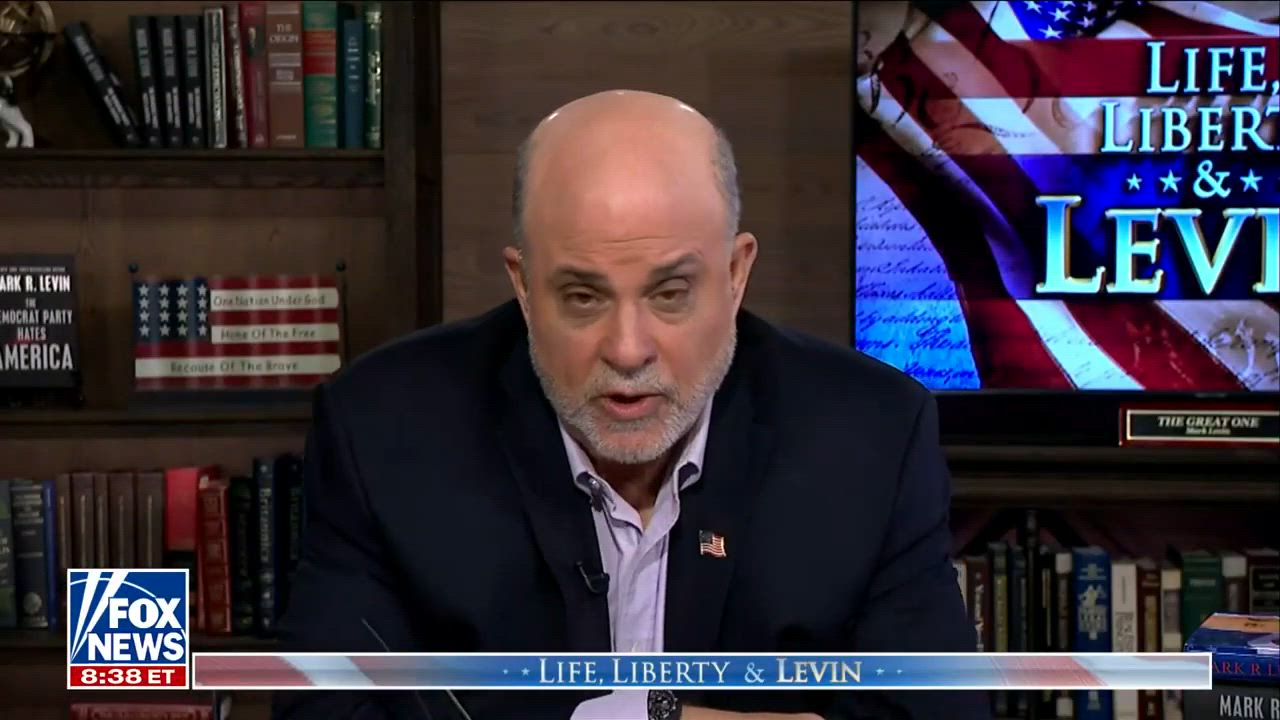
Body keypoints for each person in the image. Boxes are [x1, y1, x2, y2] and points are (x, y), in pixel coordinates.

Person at [273, 90, 990, 720]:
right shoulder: (381, 430)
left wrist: (658, 713)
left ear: (736, 274)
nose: (627, 349)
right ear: (523, 285)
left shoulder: (873, 436)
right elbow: (325, 708)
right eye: (583, 297)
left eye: (670, 294)